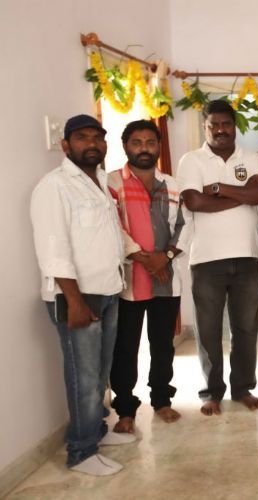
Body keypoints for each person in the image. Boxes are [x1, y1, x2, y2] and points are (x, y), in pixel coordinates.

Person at [30, 115, 136, 476]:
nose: (91, 144)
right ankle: (81, 451)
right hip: (77, 296)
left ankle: (97, 431)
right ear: (65, 145)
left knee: (100, 373)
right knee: (84, 377)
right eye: (82, 138)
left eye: (97, 137)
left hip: (107, 289)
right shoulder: (55, 186)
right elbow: (53, 249)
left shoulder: (99, 182)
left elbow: (108, 236)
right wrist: (74, 301)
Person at [177, 99, 258, 416]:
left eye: (226, 124)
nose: (220, 130)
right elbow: (193, 201)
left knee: (246, 329)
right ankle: (211, 392)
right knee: (209, 330)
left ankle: (242, 388)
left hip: (248, 258)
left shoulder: (252, 158)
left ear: (235, 127)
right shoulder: (192, 160)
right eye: (213, 125)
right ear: (205, 127)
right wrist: (242, 194)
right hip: (206, 261)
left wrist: (217, 188)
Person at [108, 120, 187, 433]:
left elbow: (185, 226)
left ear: (158, 147)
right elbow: (113, 227)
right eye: (137, 142)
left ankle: (162, 400)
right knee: (125, 346)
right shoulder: (112, 182)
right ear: (126, 146)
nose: (144, 148)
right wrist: (145, 258)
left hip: (165, 278)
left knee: (163, 345)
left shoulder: (173, 184)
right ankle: (125, 408)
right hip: (130, 279)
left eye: (150, 142)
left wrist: (164, 257)